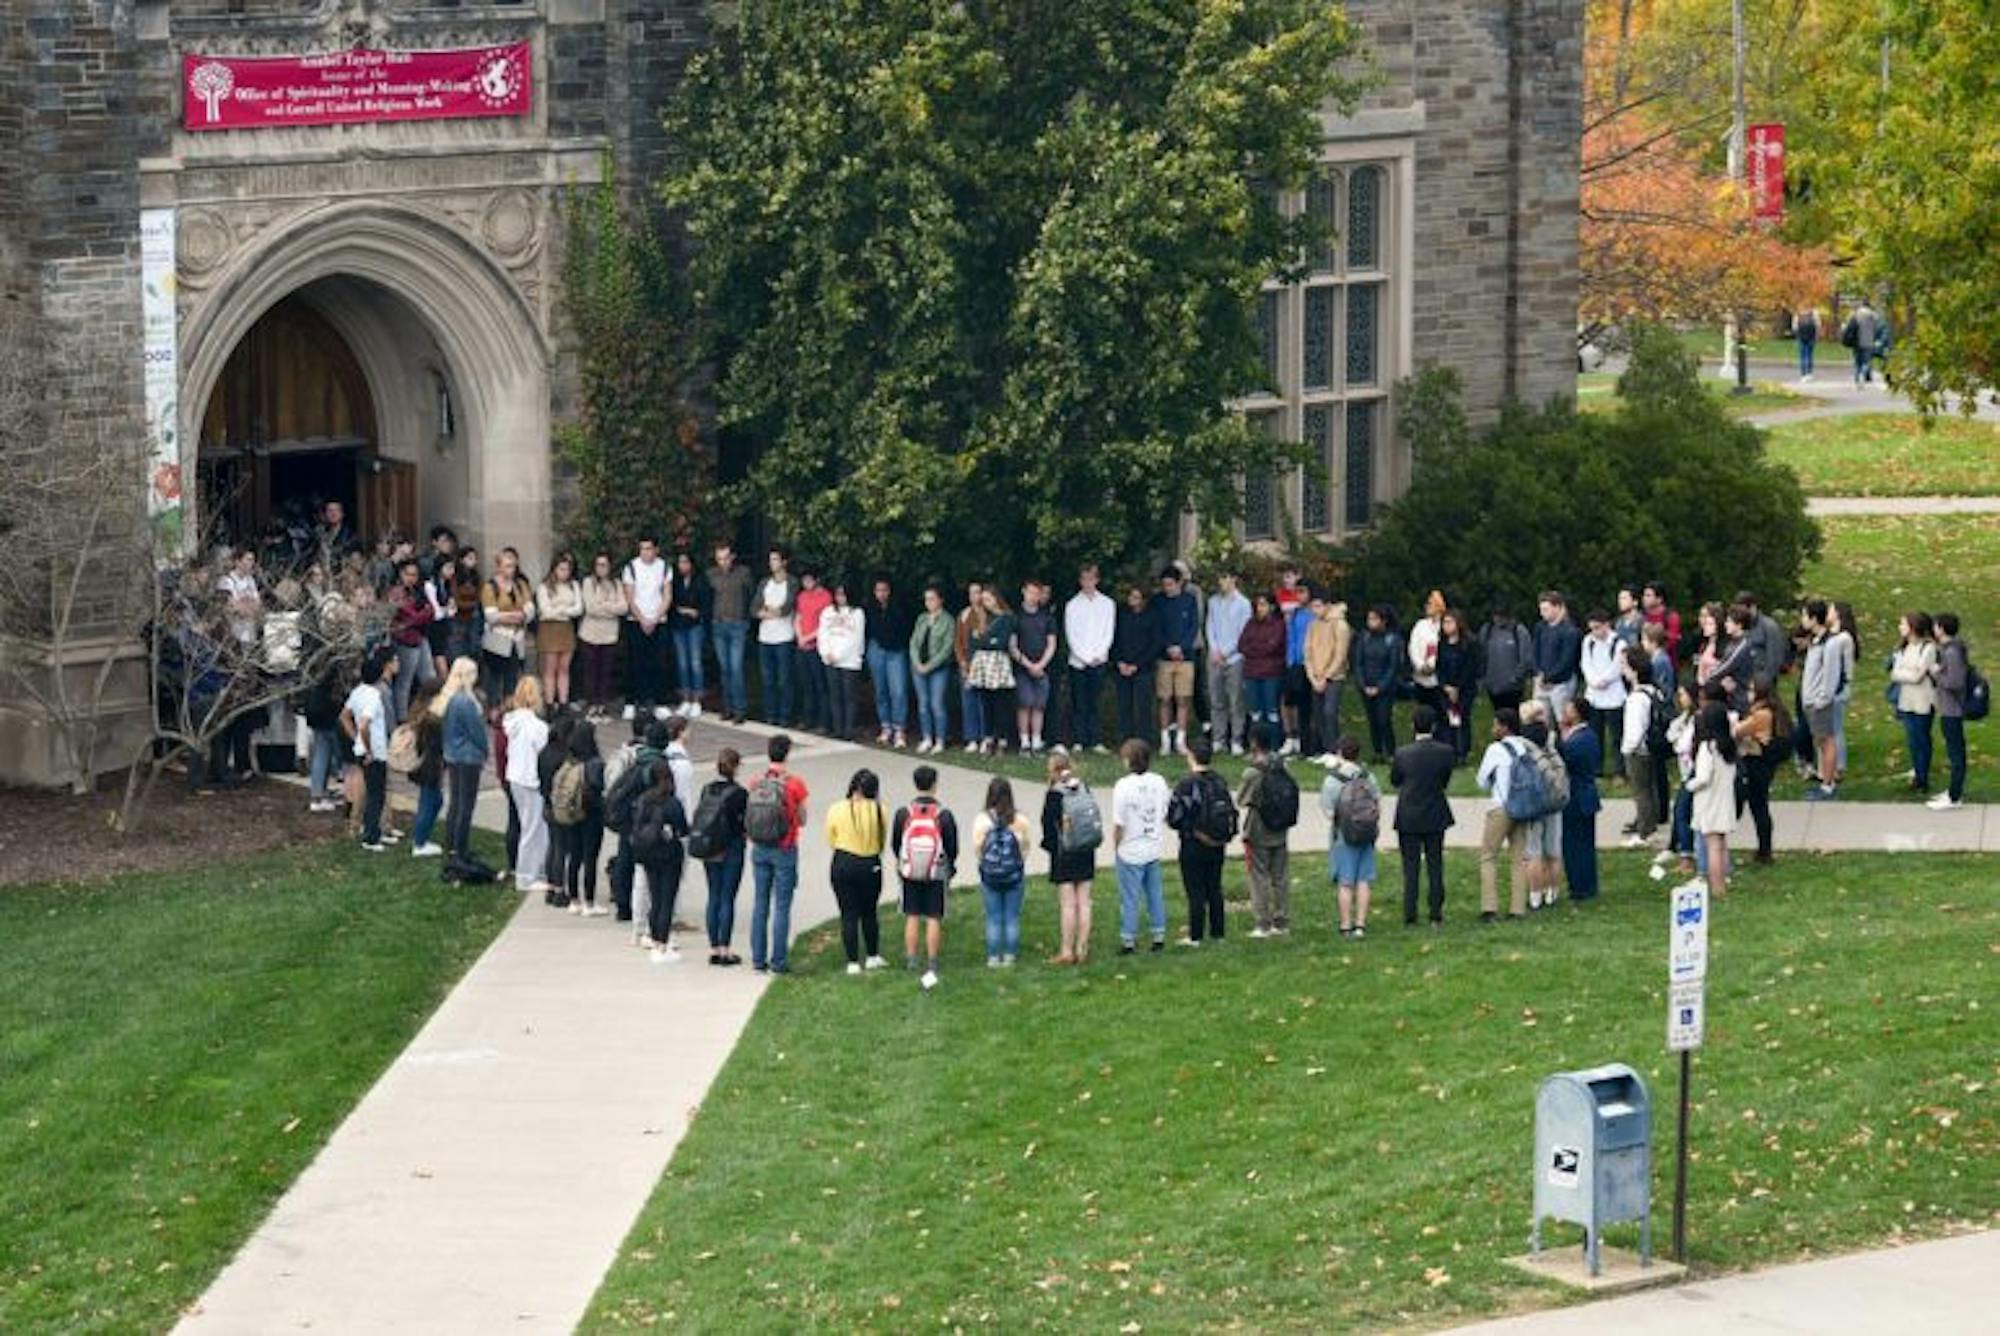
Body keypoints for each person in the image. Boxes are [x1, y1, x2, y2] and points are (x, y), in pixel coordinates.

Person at [745, 734, 809, 974]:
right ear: (788, 753)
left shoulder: (755, 782)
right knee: (782, 906)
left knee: (760, 903)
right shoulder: (795, 784)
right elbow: (802, 819)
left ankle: (758, 959)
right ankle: (778, 961)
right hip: (785, 847)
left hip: (759, 847)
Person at [892, 764, 960, 990]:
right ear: (934, 785)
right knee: (933, 917)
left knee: (911, 915)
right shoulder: (943, 815)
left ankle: (911, 959)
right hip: (936, 871)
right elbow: (952, 846)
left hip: (910, 871)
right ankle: (932, 961)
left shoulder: (904, 813)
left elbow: (895, 843)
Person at [1389, 705, 1455, 927]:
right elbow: (1444, 780)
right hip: (1435, 811)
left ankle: (1410, 913)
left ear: (1412, 726)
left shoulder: (1402, 753)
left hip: (1408, 813)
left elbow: (1395, 780)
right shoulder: (1445, 752)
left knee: (1411, 866)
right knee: (1435, 864)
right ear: (1434, 726)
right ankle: (1435, 912)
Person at [1167, 737, 1233, 947]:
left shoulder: (1186, 784)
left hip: (1193, 842)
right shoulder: (1220, 781)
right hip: (1217, 843)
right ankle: (1218, 932)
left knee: (1195, 889)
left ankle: (1196, 934)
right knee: (1214, 887)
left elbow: (1175, 816)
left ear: (1191, 757)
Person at [688, 747, 749, 966]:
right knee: (727, 897)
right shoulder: (739, 793)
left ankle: (714, 947)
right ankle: (725, 948)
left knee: (713, 894)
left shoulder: (708, 790)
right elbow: (742, 824)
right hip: (731, 847)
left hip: (710, 847)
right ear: (735, 767)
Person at [826, 769, 890, 974]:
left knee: (848, 913)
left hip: (844, 861)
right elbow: (882, 839)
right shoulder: (880, 810)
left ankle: (852, 961)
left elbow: (831, 838)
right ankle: (872, 955)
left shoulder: (836, 808)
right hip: (870, 863)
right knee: (869, 911)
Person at [1111, 738, 1171, 954]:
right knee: (1155, 893)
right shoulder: (1159, 782)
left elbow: (1119, 822)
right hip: (1152, 845)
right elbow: (1164, 811)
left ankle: (1128, 938)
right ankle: (1158, 934)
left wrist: (1115, 845)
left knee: (1129, 896)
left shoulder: (1122, 786)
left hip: (1129, 848)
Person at [630, 756, 691, 964]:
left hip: (649, 854)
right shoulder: (672, 803)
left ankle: (655, 939)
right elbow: (683, 829)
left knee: (655, 898)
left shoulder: (643, 800)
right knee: (667, 899)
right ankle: (662, 944)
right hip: (669, 854)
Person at [1473, 707, 1531, 921]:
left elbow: (1481, 780)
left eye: (1496, 724)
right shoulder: (1526, 746)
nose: (1493, 728)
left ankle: (1490, 907)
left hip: (1500, 807)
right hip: (1523, 806)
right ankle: (1518, 908)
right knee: (1518, 859)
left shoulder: (1495, 749)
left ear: (1504, 727)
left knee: (1488, 856)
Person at [1236, 724, 1294, 937]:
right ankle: (1282, 920)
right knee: (1280, 876)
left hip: (1258, 829)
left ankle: (1263, 923)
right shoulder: (1283, 766)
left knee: (1259, 876)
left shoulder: (1252, 772)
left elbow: (1241, 800)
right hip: (1280, 828)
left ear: (1253, 743)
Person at [1321, 735, 1380, 938]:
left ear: (1339, 753)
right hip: (1366, 834)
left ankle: (1345, 924)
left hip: (1343, 836)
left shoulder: (1332, 781)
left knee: (1345, 882)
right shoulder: (1368, 777)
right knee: (1364, 879)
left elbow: (1329, 812)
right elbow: (1376, 805)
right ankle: (1360, 924)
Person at [973, 776, 1034, 967]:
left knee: (993, 916)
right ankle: (1009, 955)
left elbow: (977, 848)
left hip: (990, 875)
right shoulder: (1020, 820)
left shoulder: (982, 820)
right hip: (1014, 874)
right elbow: (1026, 846)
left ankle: (993, 956)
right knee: (1011, 916)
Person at [343, 649, 398, 852]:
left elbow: (344, 716)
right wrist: (367, 748)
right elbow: (365, 724)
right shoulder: (374, 696)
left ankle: (372, 829)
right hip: (374, 751)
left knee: (373, 792)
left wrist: (355, 737)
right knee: (377, 795)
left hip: (362, 749)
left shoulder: (357, 692)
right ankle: (371, 837)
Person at [552, 719, 608, 913]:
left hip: (571, 812)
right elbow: (598, 788)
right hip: (591, 815)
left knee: (574, 856)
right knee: (590, 858)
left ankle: (574, 899)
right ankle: (589, 901)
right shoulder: (594, 763)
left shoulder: (569, 761)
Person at [502, 676, 552, 893]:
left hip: (515, 777)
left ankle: (534, 869)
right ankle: (526, 875)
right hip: (531, 779)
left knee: (530, 826)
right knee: (533, 829)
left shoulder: (512, 721)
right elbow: (543, 752)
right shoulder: (537, 727)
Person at [436, 657, 487, 866]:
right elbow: (477, 732)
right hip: (468, 757)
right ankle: (461, 849)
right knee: (466, 805)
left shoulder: (447, 698)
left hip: (452, 754)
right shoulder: (465, 702)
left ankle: (452, 844)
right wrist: (485, 749)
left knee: (456, 803)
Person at [1687, 701, 1739, 897]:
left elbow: (1703, 778)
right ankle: (1723, 881)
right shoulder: (1729, 747)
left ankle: (1717, 888)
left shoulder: (1707, 748)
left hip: (1709, 801)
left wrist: (1689, 785)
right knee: (1722, 843)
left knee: (1713, 846)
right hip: (1725, 799)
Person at [1731, 681, 1785, 865]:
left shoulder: (1761, 715)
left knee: (1756, 806)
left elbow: (1738, 731)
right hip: (1764, 765)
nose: (1748, 693)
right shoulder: (1773, 711)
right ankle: (1764, 850)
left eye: (1752, 689)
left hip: (1756, 764)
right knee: (1759, 806)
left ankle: (1764, 850)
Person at [1064, 564, 1116, 752]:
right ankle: (1079, 739)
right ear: (1080, 581)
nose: (1087, 583)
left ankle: (1095, 740)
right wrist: (1083, 656)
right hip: (1078, 660)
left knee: (1094, 701)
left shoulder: (1107, 604)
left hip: (1099, 659)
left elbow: (1108, 632)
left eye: (1091, 578)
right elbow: (1072, 634)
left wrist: (1098, 654)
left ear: (1097, 580)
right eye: (1084, 579)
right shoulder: (1073, 604)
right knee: (1079, 701)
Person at [618, 538, 671, 721]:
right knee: (634, 663)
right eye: (642, 549)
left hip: (659, 620)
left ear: (656, 549)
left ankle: (660, 702)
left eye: (649, 549)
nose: (645, 552)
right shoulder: (631, 567)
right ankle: (631, 702)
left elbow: (666, 595)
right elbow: (630, 597)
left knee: (659, 662)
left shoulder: (664, 567)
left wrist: (655, 618)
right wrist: (642, 619)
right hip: (636, 621)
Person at [1557, 700, 1601, 901]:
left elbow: (1566, 761)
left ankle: (1580, 886)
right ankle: (1586, 884)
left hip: (1577, 795)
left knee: (1576, 844)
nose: (1564, 712)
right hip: (1585, 794)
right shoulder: (1585, 736)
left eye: (1568, 709)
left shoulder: (1579, 740)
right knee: (1583, 842)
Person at [707, 542, 756, 723]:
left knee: (736, 668)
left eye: (726, 558)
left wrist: (747, 618)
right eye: (719, 559)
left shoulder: (743, 573)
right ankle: (727, 707)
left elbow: (751, 594)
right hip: (718, 624)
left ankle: (740, 709)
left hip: (737, 624)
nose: (723, 562)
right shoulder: (711, 575)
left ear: (732, 557)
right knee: (725, 668)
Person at [1891, 612, 1939, 796]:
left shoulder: (1927, 648)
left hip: (1923, 700)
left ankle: (1923, 777)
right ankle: (1917, 773)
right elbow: (1896, 673)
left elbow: (1919, 676)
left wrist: (1906, 673)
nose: (1900, 627)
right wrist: (1907, 673)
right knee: (1912, 740)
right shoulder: (1903, 648)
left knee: (1922, 738)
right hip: (1907, 699)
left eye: (1903, 624)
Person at [1204, 571, 1251, 755]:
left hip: (1235, 657)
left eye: (1225, 578)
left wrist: (1226, 652)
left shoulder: (1243, 603)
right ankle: (1218, 738)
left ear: (1233, 579)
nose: (1221, 582)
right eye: (1220, 578)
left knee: (1236, 700)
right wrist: (1214, 650)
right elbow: (1210, 626)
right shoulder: (1213, 601)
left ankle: (1237, 739)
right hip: (1215, 657)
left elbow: (1243, 632)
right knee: (1216, 700)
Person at [1798, 599, 1840, 801]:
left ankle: (1828, 784)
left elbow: (1831, 675)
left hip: (1819, 702)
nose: (1802, 620)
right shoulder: (1815, 642)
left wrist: (1821, 699)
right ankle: (1826, 780)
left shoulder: (1829, 644)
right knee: (1820, 742)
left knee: (1826, 741)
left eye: (1805, 616)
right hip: (1810, 700)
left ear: (1814, 618)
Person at [480, 548, 535, 704]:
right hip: (497, 640)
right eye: (507, 566)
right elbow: (491, 616)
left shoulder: (521, 584)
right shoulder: (490, 587)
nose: (511, 569)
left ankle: (509, 709)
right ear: (499, 567)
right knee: (494, 679)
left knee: (512, 678)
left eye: (513, 566)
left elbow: (530, 610)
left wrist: (518, 616)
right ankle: (493, 711)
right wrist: (516, 616)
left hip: (516, 640)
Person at [1153, 566, 1199, 754]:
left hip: (1185, 658)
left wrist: (1182, 647)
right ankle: (1165, 740)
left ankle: (1181, 740)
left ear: (1179, 583)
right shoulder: (1158, 602)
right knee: (1164, 699)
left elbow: (1193, 626)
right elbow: (1156, 628)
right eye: (1164, 585)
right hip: (1164, 658)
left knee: (1183, 699)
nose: (1167, 588)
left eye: (1171, 584)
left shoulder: (1189, 601)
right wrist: (1168, 647)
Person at [1619, 648, 1662, 844]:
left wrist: (1627, 749)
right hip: (1652, 748)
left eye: (1624, 665)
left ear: (1634, 670)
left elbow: (1635, 730)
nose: (1622, 669)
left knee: (1641, 791)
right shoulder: (1653, 691)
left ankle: (1644, 831)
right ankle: (1650, 823)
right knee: (1649, 788)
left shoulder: (1636, 698)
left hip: (1638, 750)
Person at [753, 548, 799, 727]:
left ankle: (785, 715)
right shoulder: (765, 582)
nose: (771, 563)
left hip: (783, 636)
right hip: (765, 637)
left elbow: (786, 608)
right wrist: (767, 611)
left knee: (784, 679)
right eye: (770, 559)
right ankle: (770, 714)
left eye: (775, 559)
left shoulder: (792, 582)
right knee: (768, 679)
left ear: (784, 562)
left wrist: (770, 610)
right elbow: (754, 607)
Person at [1010, 579, 1058, 754]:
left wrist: (1041, 664)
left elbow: (1052, 643)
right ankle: (1024, 740)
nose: (1033, 597)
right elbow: (1012, 646)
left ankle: (1037, 740)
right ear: (1024, 592)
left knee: (1039, 705)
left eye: (1037, 593)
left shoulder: (1047, 617)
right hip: (1023, 667)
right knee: (1024, 703)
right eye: (1030, 592)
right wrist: (1028, 664)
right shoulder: (1016, 616)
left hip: (1042, 667)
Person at [1305, 594, 1353, 766]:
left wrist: (1326, 676)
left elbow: (1340, 654)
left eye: (1318, 606)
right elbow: (1308, 652)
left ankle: (1335, 750)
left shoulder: (1340, 625)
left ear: (1327, 605)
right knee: (1318, 714)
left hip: (1334, 677)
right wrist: (1312, 676)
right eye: (1312, 606)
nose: (1315, 610)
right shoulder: (1312, 625)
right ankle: (1325, 749)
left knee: (1330, 712)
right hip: (1316, 677)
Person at [968, 586, 1017, 754]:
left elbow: (1002, 642)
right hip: (982, 664)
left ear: (996, 598)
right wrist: (988, 641)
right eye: (984, 600)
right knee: (986, 703)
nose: (986, 603)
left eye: (988, 599)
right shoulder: (982, 617)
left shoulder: (1007, 618)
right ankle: (988, 738)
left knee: (1001, 704)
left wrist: (985, 641)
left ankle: (1002, 740)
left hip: (998, 663)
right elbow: (973, 641)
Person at [866, 575, 913, 747]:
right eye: (878, 590)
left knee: (898, 691)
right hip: (877, 649)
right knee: (881, 690)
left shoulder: (899, 608)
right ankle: (885, 726)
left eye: (884, 590)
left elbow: (905, 629)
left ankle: (899, 728)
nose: (881, 594)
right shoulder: (870, 608)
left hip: (896, 651)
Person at [386, 558, 436, 722]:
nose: (411, 578)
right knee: (404, 682)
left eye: (415, 575)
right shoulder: (395, 592)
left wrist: (422, 615)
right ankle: (401, 719)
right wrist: (422, 614)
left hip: (420, 637)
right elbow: (411, 616)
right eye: (408, 574)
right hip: (405, 640)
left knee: (428, 677)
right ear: (401, 574)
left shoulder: (417, 591)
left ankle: (430, 713)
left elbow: (431, 612)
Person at [909, 583, 957, 755]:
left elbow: (947, 648)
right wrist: (917, 663)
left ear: (940, 600)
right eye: (926, 599)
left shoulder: (948, 620)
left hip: (938, 668)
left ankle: (940, 739)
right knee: (923, 704)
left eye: (932, 599)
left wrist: (929, 666)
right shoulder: (922, 618)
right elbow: (914, 643)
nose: (928, 602)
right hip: (918, 667)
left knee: (937, 704)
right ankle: (927, 737)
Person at [1111, 582, 1159, 747]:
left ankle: (1144, 741)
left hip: (1143, 668)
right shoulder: (1122, 615)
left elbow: (1155, 644)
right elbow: (1115, 640)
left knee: (1143, 706)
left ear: (1144, 600)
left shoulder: (1152, 617)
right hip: (1122, 667)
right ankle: (1126, 740)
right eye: (1131, 596)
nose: (1132, 600)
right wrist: (1120, 662)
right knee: (1125, 706)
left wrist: (1137, 665)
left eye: (1136, 597)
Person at [1580, 608, 1628, 772]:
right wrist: (1593, 681)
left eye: (1598, 628)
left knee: (1616, 736)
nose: (1595, 632)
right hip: (1594, 695)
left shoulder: (1619, 643)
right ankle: (1596, 768)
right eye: (1592, 628)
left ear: (1606, 625)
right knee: (1595, 734)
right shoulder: (1588, 641)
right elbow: (1585, 663)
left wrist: (1605, 680)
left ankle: (1619, 770)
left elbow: (1618, 666)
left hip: (1614, 695)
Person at [1351, 603, 1400, 762]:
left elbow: (1393, 666)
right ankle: (1377, 751)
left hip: (1384, 687)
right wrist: (1363, 684)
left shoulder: (1392, 639)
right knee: (1372, 719)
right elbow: (1358, 662)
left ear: (1383, 620)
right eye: (1369, 618)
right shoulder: (1364, 638)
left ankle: (1390, 751)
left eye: (1374, 619)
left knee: (1383, 719)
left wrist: (1380, 687)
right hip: (1366, 683)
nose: (1370, 622)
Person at [1931, 613, 1970, 811]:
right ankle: (1952, 792)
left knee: (1956, 754)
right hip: (1948, 708)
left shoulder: (1952, 652)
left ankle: (1955, 796)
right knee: (1953, 751)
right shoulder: (1949, 650)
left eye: (1935, 626)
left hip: (1952, 710)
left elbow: (1955, 682)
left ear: (1941, 628)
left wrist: (1936, 673)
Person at [818, 581, 866, 738]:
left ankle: (849, 730)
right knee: (835, 695)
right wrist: (826, 653)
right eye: (838, 594)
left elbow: (855, 639)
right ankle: (838, 729)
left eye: (843, 594)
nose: (840, 598)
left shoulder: (857, 613)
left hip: (849, 661)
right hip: (829, 659)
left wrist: (838, 655)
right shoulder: (828, 612)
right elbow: (822, 634)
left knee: (849, 696)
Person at [536, 553, 583, 711]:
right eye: (561, 569)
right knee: (550, 668)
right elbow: (545, 611)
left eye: (567, 569)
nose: (564, 572)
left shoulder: (574, 585)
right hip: (549, 629)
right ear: (554, 569)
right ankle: (549, 703)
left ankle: (563, 703)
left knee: (564, 668)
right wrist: (565, 610)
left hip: (566, 629)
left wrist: (559, 609)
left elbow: (579, 609)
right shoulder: (544, 586)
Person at [1241, 594, 1287, 744]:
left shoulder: (1278, 624)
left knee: (1271, 710)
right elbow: (1242, 645)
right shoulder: (1250, 624)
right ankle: (1257, 744)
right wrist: (1258, 648)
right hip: (1251, 673)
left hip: (1271, 673)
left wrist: (1254, 648)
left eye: (1263, 604)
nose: (1260, 608)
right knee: (1255, 712)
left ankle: (1273, 744)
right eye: (1258, 605)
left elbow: (1272, 647)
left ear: (1272, 606)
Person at [668, 552, 711, 718]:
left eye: (686, 562)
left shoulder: (700, 580)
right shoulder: (676, 581)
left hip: (695, 625)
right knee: (682, 663)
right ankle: (685, 698)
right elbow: (672, 603)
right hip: (679, 625)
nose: (682, 566)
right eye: (680, 562)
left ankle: (697, 699)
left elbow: (705, 604)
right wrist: (684, 610)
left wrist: (695, 612)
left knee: (695, 662)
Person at [792, 565, 833, 733]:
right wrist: (800, 636)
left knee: (820, 685)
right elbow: (798, 617)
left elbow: (825, 623)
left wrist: (809, 637)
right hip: (802, 645)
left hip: (817, 646)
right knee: (806, 684)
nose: (806, 583)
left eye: (809, 580)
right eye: (804, 580)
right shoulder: (802, 596)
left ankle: (823, 721)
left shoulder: (825, 597)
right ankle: (807, 718)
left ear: (817, 580)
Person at [1436, 608, 1481, 762]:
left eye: (1449, 622)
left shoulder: (1469, 643)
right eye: (1444, 623)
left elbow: (1471, 667)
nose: (1446, 626)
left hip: (1464, 689)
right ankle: (1450, 751)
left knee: (1463, 718)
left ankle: (1463, 752)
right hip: (1446, 689)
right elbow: (1439, 667)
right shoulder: (1442, 644)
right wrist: (1445, 686)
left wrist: (1457, 687)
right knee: (1447, 720)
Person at [408, 681, 446, 859]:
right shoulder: (431, 718)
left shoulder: (419, 712)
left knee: (432, 799)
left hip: (425, 762)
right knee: (430, 800)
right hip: (430, 763)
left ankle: (421, 837)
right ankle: (420, 841)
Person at [1532, 590, 1581, 724]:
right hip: (1541, 682)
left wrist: (1549, 677)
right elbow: (1535, 652)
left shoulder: (1570, 631)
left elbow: (1567, 660)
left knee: (1563, 721)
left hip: (1561, 683)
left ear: (1558, 607)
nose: (1542, 613)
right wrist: (1538, 674)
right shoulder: (1540, 627)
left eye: (1546, 609)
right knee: (1540, 721)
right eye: (1541, 609)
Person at [1281, 586, 1318, 756]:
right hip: (1294, 664)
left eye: (1303, 592)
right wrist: (1290, 660)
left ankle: (1313, 746)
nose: (1299, 596)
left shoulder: (1314, 614)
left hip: (1309, 663)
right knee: (1294, 703)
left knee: (1309, 707)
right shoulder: (1295, 613)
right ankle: (1300, 743)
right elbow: (1291, 637)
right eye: (1298, 592)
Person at [1479, 607, 1534, 715]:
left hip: (1513, 688)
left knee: (1513, 716)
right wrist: (1483, 679)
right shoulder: (1487, 630)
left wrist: (1516, 678)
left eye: (1501, 616)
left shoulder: (1518, 631)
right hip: (1492, 685)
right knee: (1498, 716)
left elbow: (1526, 658)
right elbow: (1481, 655)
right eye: (1495, 616)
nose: (1498, 619)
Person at [955, 580, 988, 753]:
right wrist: (962, 661)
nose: (974, 596)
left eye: (977, 592)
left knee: (983, 701)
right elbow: (958, 641)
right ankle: (971, 738)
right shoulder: (964, 614)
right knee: (968, 701)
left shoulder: (988, 614)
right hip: (967, 661)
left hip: (983, 662)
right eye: (971, 593)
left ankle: (985, 737)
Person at [1828, 600, 1859, 781]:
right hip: (1836, 686)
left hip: (1839, 687)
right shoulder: (1836, 636)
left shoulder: (1843, 638)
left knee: (1835, 727)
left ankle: (1839, 766)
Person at [1407, 590, 1446, 720]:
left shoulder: (1444, 626)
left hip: (1438, 680)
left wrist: (1432, 666)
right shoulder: (1420, 625)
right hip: (1421, 678)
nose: (1427, 606)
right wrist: (1420, 666)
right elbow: (1413, 648)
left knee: (1441, 715)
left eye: (1430, 604)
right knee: (1422, 714)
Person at [1641, 583, 1683, 665]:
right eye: (1644, 595)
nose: (1644, 599)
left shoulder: (1671, 617)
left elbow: (1672, 641)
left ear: (1659, 599)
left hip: (1666, 663)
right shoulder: (1643, 617)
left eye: (1648, 596)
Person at [1840, 300, 1879, 387]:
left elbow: (1849, 328)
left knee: (1857, 362)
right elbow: (1876, 329)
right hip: (1868, 342)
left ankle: (1857, 379)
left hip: (1857, 342)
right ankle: (1863, 375)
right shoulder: (1873, 316)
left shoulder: (1855, 315)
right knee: (1866, 361)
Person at [1794, 306, 1819, 381]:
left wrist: (1797, 336)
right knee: (1810, 355)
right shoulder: (1814, 313)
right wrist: (1816, 336)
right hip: (1811, 337)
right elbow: (1818, 325)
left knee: (1802, 356)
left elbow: (1794, 327)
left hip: (1801, 338)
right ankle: (1809, 373)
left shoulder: (1798, 314)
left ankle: (1803, 374)